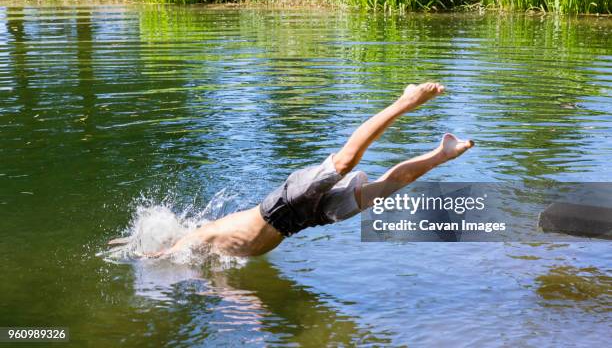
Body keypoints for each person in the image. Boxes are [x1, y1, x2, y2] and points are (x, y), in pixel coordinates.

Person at [112, 83, 474, 258]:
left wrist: (138, 254)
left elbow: (163, 256)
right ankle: (442, 154)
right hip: (303, 222)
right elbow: (224, 285)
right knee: (384, 190)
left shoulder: (192, 242)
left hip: (283, 205)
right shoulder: (212, 260)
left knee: (347, 161)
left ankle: (405, 100)